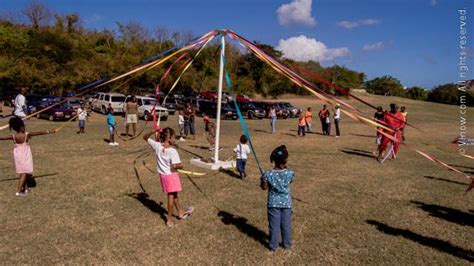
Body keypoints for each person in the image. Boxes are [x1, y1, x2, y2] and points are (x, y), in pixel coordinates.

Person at [143, 127, 194, 227]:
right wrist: (179, 165)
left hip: (163, 176)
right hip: (171, 176)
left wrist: (153, 131)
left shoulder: (158, 146)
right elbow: (178, 165)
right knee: (171, 197)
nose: (175, 139)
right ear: (169, 138)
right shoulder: (172, 151)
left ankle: (181, 212)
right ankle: (169, 219)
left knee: (174, 194)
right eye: (174, 137)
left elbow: (145, 137)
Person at [0, 117, 56, 196]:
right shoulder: (26, 135)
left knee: (24, 172)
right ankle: (19, 191)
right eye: (23, 126)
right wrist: (49, 131)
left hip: (18, 155)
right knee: (23, 173)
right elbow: (39, 132)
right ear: (21, 127)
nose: (24, 128)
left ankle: (25, 188)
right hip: (25, 154)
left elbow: (1, 138)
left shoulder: (13, 136)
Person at [260, 145, 294, 251]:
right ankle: (287, 245)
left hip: (273, 204)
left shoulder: (268, 174)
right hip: (286, 203)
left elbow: (264, 188)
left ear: (274, 160)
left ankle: (273, 246)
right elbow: (289, 181)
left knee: (274, 226)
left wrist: (263, 180)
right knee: (286, 225)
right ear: (284, 161)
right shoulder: (289, 173)